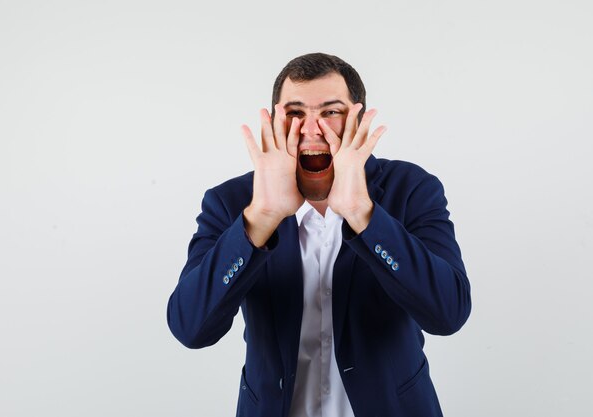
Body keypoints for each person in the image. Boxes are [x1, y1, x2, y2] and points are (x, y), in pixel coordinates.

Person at [167, 52, 471, 417]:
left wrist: (363, 214)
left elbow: (448, 314)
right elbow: (190, 328)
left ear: (357, 121)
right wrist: (260, 219)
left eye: (330, 112)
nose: (312, 129)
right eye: (295, 113)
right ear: (275, 125)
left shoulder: (413, 188)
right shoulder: (231, 202)